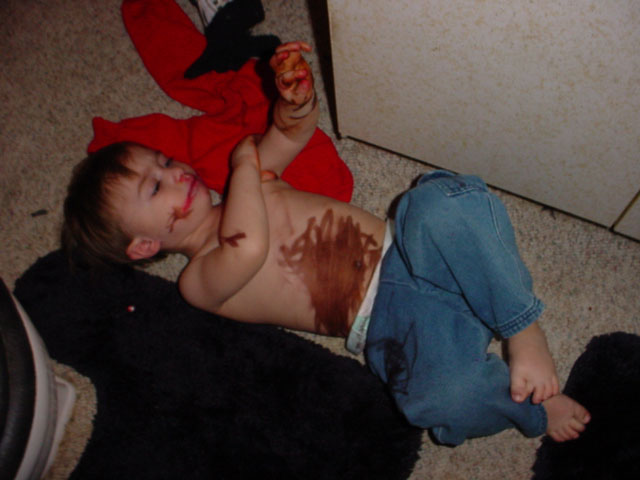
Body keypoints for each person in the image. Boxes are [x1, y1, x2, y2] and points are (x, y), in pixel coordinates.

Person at [63, 41, 590, 445]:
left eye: (164, 161)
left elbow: (292, 134)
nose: (176, 172)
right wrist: (244, 165)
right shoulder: (198, 280)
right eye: (155, 187)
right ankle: (531, 409)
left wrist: (295, 98)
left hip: (410, 253)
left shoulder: (251, 182)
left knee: (438, 203)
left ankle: (521, 327)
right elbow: (247, 248)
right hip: (390, 328)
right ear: (144, 246)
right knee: (435, 399)